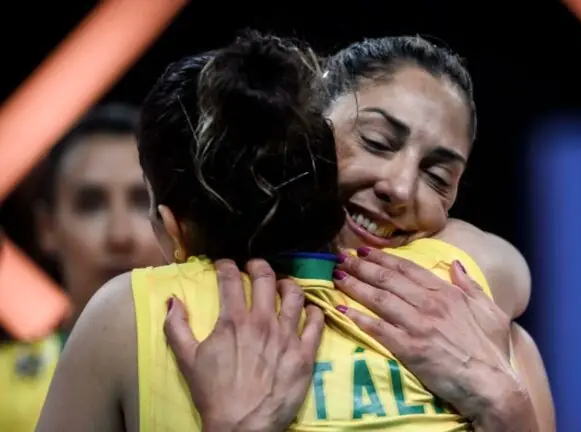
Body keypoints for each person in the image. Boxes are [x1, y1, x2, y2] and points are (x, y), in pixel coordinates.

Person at [38, 32, 553, 431]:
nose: (399, 185)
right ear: (308, 127)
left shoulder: (478, 323)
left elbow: (505, 269)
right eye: (375, 141)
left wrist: (507, 407)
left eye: (439, 177)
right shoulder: (141, 317)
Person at [34, 103, 166, 337]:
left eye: (142, 202)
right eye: (91, 205)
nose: (120, 236)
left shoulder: (233, 369)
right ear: (47, 228)